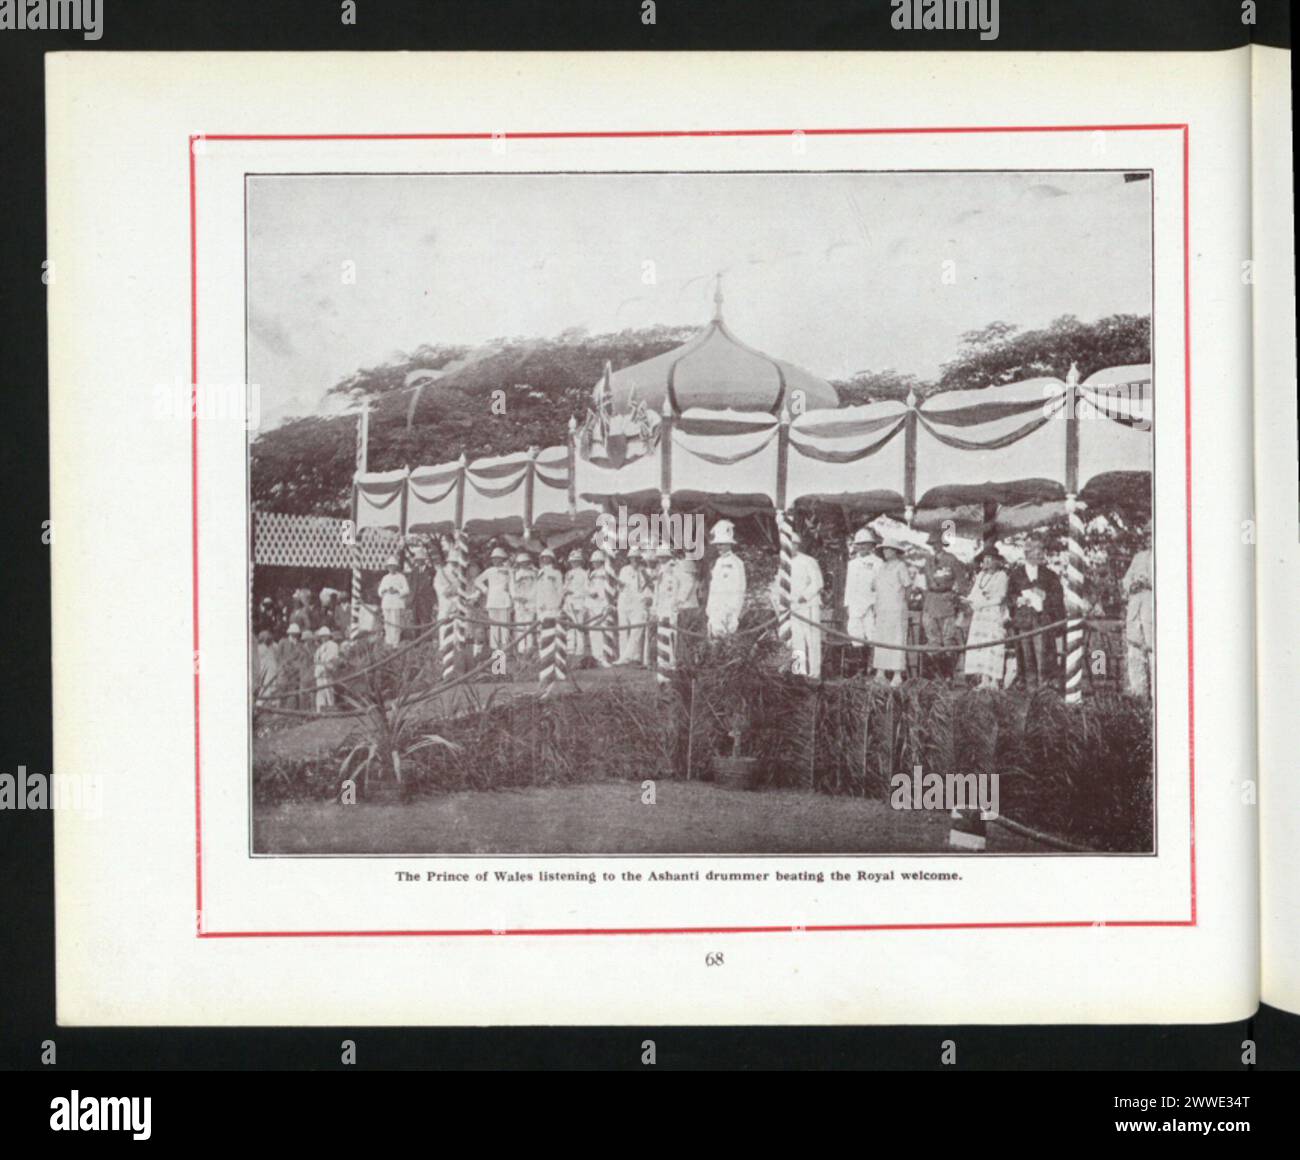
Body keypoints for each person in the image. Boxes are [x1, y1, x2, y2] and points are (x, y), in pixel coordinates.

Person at [1007, 538, 1065, 689]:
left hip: (1042, 621)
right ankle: (1030, 690)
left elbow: (1058, 597)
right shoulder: (1016, 574)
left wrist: (1045, 597)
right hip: (1024, 621)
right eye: (1037, 552)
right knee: (1026, 657)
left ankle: (1043, 689)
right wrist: (1019, 599)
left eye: (1042, 551)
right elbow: (1009, 597)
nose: (1041, 555)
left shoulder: (1050, 575)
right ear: (1027, 554)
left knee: (1043, 656)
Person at [922, 529, 971, 680]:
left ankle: (949, 675)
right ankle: (937, 677)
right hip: (931, 602)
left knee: (948, 640)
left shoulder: (951, 559)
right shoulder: (928, 561)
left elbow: (962, 583)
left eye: (937, 543)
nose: (934, 546)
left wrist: (957, 599)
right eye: (932, 544)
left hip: (947, 603)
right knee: (932, 641)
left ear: (943, 544)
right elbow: (925, 583)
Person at [963, 552, 1009, 687]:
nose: (987, 561)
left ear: (998, 561)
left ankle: (994, 680)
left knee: (993, 645)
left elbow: (1000, 597)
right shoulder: (980, 576)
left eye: (991, 559)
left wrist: (982, 603)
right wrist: (967, 601)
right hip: (980, 615)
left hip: (993, 614)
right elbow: (974, 594)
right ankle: (984, 679)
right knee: (980, 646)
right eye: (985, 559)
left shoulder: (1001, 576)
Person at [872, 538, 912, 685]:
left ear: (895, 551)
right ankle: (880, 672)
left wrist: (902, 602)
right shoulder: (881, 567)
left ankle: (897, 674)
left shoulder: (901, 566)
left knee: (897, 638)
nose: (886, 552)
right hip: (882, 608)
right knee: (881, 638)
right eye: (884, 549)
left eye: (889, 549)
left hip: (896, 608)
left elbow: (908, 586)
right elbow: (874, 586)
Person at [788, 531, 824, 679]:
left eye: (793, 544)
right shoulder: (785, 563)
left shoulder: (808, 561)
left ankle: (815, 672)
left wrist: (804, 596)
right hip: (793, 607)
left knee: (812, 639)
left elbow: (818, 582)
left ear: (797, 545)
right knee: (797, 639)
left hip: (809, 605)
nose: (790, 548)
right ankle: (799, 670)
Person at [843, 526, 879, 676]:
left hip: (870, 604)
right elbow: (849, 585)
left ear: (871, 546)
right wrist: (847, 604)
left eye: (865, 544)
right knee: (855, 635)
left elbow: (879, 586)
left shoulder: (877, 563)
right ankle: (859, 670)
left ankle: (873, 668)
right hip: (854, 604)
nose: (862, 547)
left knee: (871, 635)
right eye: (859, 544)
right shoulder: (852, 563)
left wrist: (876, 605)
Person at [1122, 522, 1153, 698]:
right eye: (1146, 535)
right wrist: (1132, 584)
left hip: (1152, 611)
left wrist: (1148, 582)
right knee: (1135, 655)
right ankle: (1138, 697)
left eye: (1151, 535)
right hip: (1135, 611)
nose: (1148, 538)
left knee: (1153, 654)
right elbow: (1126, 581)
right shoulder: (1138, 557)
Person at [705, 519, 746, 637]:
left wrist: (734, 614)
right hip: (715, 612)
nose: (719, 547)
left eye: (722, 543)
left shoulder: (736, 563)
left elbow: (739, 590)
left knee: (726, 648)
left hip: (728, 613)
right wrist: (710, 610)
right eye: (717, 544)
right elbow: (714, 589)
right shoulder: (718, 562)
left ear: (729, 544)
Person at [475, 546, 515, 659]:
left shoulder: (509, 570)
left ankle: (505, 649)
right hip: (492, 600)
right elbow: (477, 581)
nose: (496, 560)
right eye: (494, 558)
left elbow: (512, 585)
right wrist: (486, 590)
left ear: (503, 559)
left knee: (504, 626)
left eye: (499, 558)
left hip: (504, 600)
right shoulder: (489, 571)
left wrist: (513, 597)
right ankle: (494, 650)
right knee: (493, 626)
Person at [616, 545, 649, 665]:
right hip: (624, 602)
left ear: (640, 559)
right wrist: (619, 586)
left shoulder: (644, 571)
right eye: (632, 558)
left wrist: (644, 599)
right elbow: (621, 587)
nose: (634, 561)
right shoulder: (624, 570)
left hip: (638, 603)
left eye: (637, 558)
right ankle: (623, 656)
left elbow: (647, 587)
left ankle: (634, 656)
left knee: (636, 630)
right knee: (622, 630)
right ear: (629, 559)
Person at [650, 543, 679, 670]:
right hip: (661, 606)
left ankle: (672, 663)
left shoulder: (674, 568)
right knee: (661, 634)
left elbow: (676, 589)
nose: (661, 559)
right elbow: (657, 591)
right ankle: (662, 662)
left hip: (671, 607)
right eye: (659, 556)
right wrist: (654, 608)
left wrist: (675, 605)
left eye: (664, 556)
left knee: (671, 635)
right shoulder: (660, 569)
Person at [586, 548, 616, 667]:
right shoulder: (592, 574)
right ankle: (596, 655)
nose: (595, 563)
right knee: (593, 632)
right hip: (592, 604)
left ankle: (605, 656)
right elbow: (588, 588)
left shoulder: (606, 573)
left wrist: (600, 596)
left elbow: (609, 589)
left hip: (602, 603)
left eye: (597, 561)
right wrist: (590, 594)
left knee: (604, 630)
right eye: (594, 561)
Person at [562, 549, 589, 661]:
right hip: (569, 602)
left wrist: (575, 594)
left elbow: (586, 589)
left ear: (580, 562)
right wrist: (565, 592)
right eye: (572, 561)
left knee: (579, 626)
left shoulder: (584, 573)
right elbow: (564, 587)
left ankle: (580, 649)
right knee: (569, 626)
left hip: (579, 602)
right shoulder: (568, 573)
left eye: (576, 561)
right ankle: (570, 648)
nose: (574, 563)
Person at [276, 621, 311, 711]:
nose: (295, 635)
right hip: (284, 671)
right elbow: (278, 657)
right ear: (289, 633)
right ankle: (278, 710)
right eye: (293, 633)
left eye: (296, 634)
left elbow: (304, 657)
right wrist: (284, 665)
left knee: (293, 692)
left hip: (295, 672)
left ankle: (292, 711)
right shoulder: (283, 642)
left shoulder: (299, 645)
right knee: (282, 690)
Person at [377, 556, 410, 647]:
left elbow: (406, 590)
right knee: (387, 623)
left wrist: (397, 590)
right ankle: (388, 641)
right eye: (390, 566)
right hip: (387, 602)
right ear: (387, 567)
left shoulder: (401, 577)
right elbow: (380, 590)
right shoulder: (385, 578)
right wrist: (384, 590)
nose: (391, 568)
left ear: (396, 567)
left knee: (395, 623)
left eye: (393, 566)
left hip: (396, 601)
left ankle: (395, 642)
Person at [511, 551, 538, 656]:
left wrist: (528, 598)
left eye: (525, 562)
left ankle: (529, 648)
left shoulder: (533, 574)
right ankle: (521, 649)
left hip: (530, 602)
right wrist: (517, 598)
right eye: (521, 562)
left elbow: (535, 588)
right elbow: (512, 588)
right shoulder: (515, 574)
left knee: (529, 625)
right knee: (520, 626)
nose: (523, 564)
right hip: (519, 603)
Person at [313, 625, 341, 711]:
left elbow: (333, 658)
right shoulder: (319, 648)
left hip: (327, 671)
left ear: (328, 636)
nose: (323, 638)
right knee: (320, 692)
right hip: (319, 672)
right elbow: (315, 660)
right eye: (322, 636)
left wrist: (325, 664)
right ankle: (320, 710)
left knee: (328, 691)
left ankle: (331, 708)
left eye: (325, 636)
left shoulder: (333, 645)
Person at [255, 630, 279, 698]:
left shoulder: (273, 646)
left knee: (272, 686)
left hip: (272, 669)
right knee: (266, 686)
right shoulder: (260, 647)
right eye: (266, 638)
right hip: (265, 669)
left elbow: (277, 652)